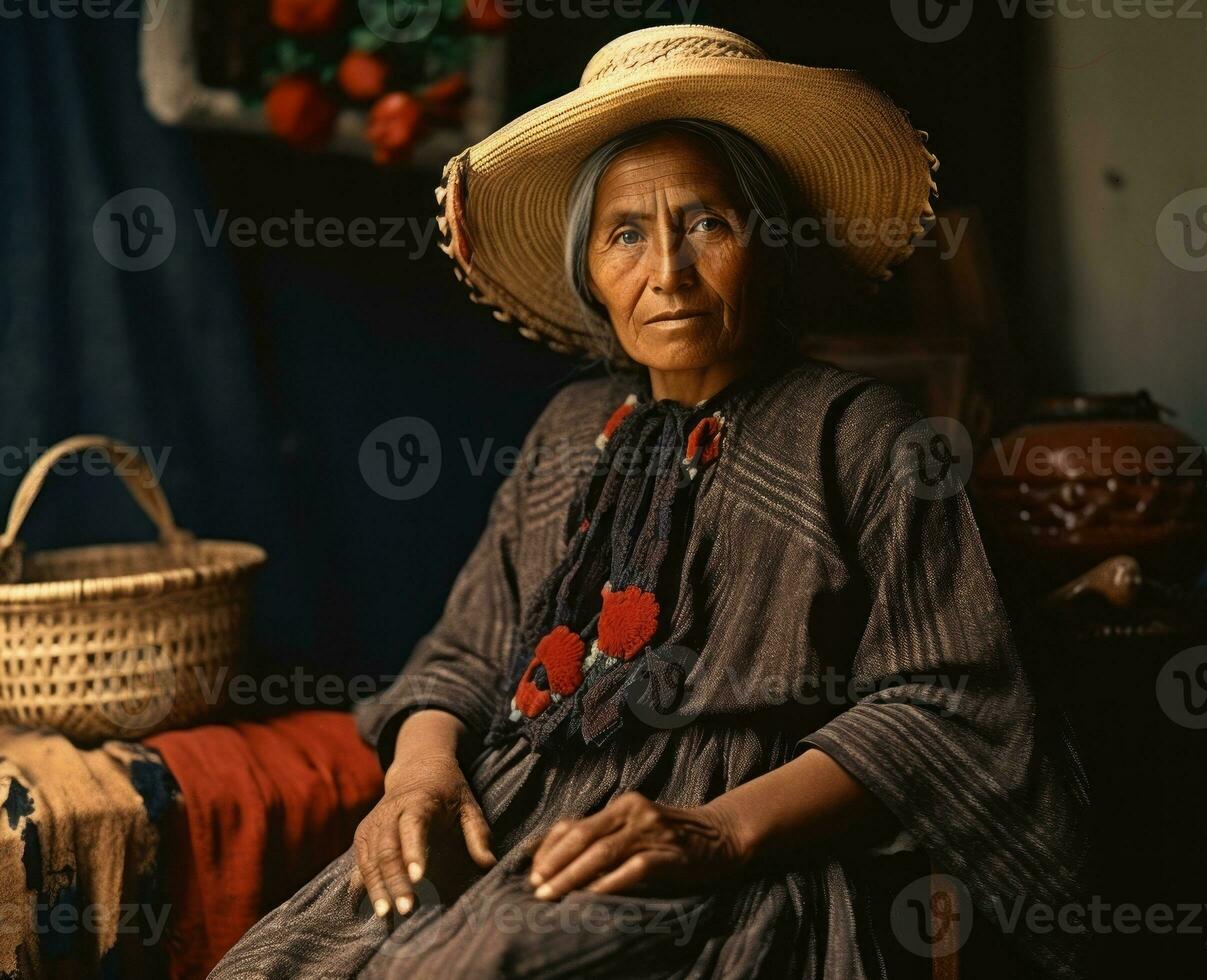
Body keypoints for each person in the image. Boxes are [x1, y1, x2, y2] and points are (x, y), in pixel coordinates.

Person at [212, 25, 1088, 979]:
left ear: (770, 245)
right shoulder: (567, 429)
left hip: (728, 857)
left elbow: (943, 702)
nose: (666, 271)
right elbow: (462, 656)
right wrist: (416, 778)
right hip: (506, 817)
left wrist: (716, 831)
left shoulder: (863, 435)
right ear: (589, 268)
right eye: (625, 234)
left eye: (707, 223)